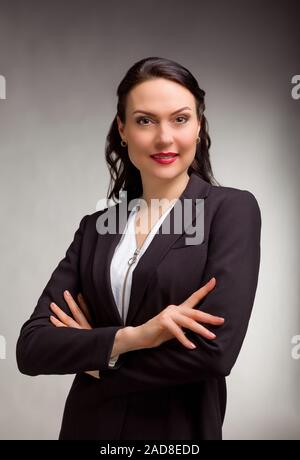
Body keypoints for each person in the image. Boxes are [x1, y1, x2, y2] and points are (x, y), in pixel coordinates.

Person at [16, 56, 261, 440]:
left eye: (180, 119)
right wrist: (133, 337)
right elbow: (32, 348)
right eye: (145, 120)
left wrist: (97, 361)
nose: (164, 138)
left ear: (198, 125)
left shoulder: (230, 211)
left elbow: (215, 353)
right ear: (123, 129)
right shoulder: (96, 228)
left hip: (178, 435)